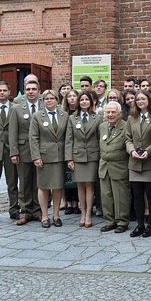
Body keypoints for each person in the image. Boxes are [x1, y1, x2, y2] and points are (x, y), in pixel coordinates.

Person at [29, 90, 68, 228]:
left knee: (57, 187)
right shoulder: (37, 116)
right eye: (46, 99)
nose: (49, 101)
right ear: (43, 101)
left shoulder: (64, 115)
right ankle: (45, 216)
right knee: (43, 186)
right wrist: (36, 156)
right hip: (43, 157)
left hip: (59, 156)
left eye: (52, 98)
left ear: (57, 100)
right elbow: (33, 138)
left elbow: (68, 137)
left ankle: (56, 215)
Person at [125, 90, 151, 238]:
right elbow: (127, 139)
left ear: (148, 100)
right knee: (137, 195)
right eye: (137, 99)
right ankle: (140, 225)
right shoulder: (131, 118)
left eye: (143, 99)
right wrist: (131, 150)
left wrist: (149, 151)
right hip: (134, 162)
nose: (140, 101)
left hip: (149, 162)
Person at [65, 91, 101, 228]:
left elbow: (99, 138)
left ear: (91, 102)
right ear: (78, 102)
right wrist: (69, 158)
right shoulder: (72, 118)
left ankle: (88, 214)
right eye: (82, 100)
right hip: (77, 156)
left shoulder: (97, 118)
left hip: (92, 156)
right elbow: (69, 140)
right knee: (80, 185)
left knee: (90, 185)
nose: (84, 102)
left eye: (87, 99)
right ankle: (82, 212)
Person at [9, 79, 42, 225]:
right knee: (24, 182)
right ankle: (26, 212)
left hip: (41, 151)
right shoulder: (16, 108)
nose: (30, 92)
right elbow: (12, 132)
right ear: (24, 91)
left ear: (39, 91)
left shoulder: (44, 106)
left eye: (33, 89)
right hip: (23, 151)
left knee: (39, 182)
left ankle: (38, 211)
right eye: (28, 89)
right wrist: (14, 152)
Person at [98, 102, 131, 233]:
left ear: (119, 113)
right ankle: (109, 221)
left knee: (120, 196)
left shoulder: (126, 126)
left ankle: (122, 222)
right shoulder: (102, 126)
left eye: (113, 112)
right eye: (108, 112)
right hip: (104, 166)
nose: (110, 115)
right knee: (106, 195)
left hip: (119, 166)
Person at [0, 81, 20, 220]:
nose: (1, 92)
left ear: (9, 92)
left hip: (9, 150)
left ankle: (14, 209)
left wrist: (15, 150)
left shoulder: (15, 108)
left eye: (4, 90)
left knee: (12, 182)